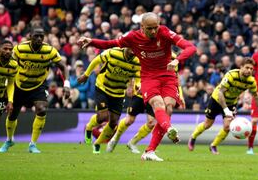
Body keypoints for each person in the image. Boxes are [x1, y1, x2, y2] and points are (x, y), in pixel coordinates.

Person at [78, 12, 196, 161]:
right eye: (150, 28)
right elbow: (111, 43)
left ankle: (149, 151)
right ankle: (168, 129)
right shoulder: (133, 37)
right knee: (156, 104)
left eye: (155, 27)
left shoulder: (165, 32)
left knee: (169, 108)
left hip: (167, 76)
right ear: (142, 27)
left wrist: (178, 60)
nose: (154, 31)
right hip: (149, 77)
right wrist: (92, 41)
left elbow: (191, 47)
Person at [0, 27, 70, 153]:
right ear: (30, 36)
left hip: (38, 85)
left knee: (42, 109)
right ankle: (9, 140)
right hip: (19, 85)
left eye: (41, 36)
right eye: (36, 36)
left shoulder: (49, 50)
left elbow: (63, 66)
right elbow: (10, 65)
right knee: (12, 114)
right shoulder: (20, 48)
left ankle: (32, 144)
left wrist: (67, 84)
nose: (39, 39)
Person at [105, 52, 185, 154]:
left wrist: (180, 95)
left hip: (156, 94)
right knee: (129, 120)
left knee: (152, 123)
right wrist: (133, 85)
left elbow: (175, 79)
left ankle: (133, 142)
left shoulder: (173, 57)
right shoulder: (146, 52)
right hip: (140, 93)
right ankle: (115, 138)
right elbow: (132, 70)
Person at [188, 57, 258, 155]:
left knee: (227, 126)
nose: (249, 70)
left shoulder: (251, 81)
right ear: (241, 67)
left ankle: (213, 145)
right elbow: (220, 93)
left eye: (251, 69)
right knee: (207, 124)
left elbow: (256, 96)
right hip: (217, 99)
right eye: (247, 67)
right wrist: (226, 110)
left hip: (231, 102)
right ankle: (193, 137)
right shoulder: (231, 75)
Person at [78, 47, 140, 154]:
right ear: (125, 46)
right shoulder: (113, 52)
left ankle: (97, 143)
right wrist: (86, 75)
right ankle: (89, 127)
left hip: (118, 93)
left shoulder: (137, 60)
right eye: (131, 47)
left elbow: (138, 76)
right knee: (103, 116)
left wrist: (136, 86)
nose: (133, 50)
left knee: (113, 122)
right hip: (103, 87)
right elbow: (97, 60)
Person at [0, 40, 18, 132]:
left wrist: (10, 101)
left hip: (0, 96)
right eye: (5, 48)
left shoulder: (13, 65)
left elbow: (10, 84)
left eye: (10, 49)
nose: (8, 51)